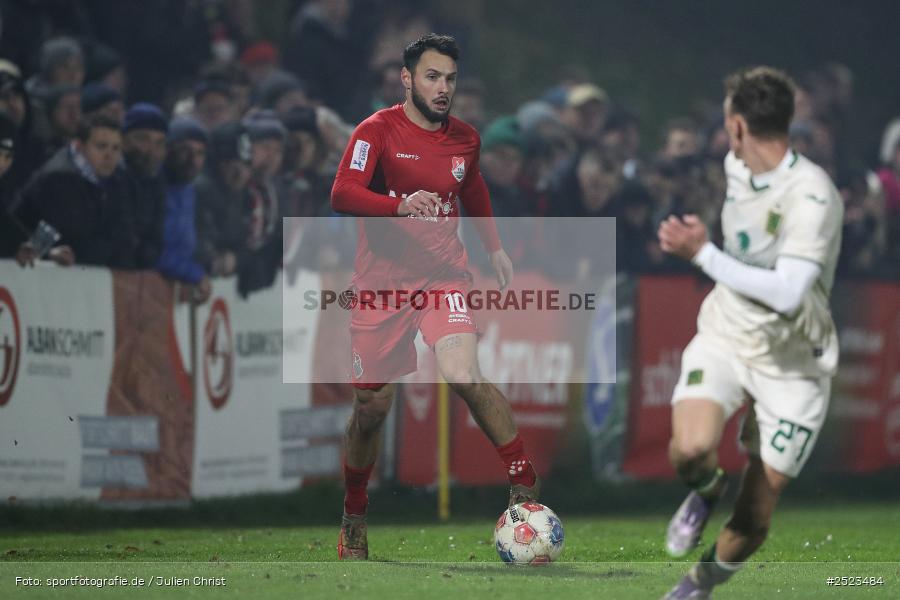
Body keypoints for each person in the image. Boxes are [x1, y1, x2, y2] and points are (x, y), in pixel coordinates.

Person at [330, 33, 539, 560]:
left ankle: (523, 482)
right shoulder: (374, 131)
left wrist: (494, 247)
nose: (443, 88)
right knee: (372, 407)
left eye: (449, 78)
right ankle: (354, 513)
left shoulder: (466, 139)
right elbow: (342, 193)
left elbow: (473, 187)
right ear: (407, 79)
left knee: (463, 373)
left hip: (443, 277)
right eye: (431, 77)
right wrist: (398, 206)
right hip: (381, 287)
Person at [657, 67, 843, 599]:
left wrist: (703, 253)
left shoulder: (813, 196)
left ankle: (697, 585)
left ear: (737, 126)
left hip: (794, 365)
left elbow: (787, 292)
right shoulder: (735, 167)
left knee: (754, 518)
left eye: (725, 122)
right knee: (690, 450)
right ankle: (706, 488)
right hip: (729, 334)